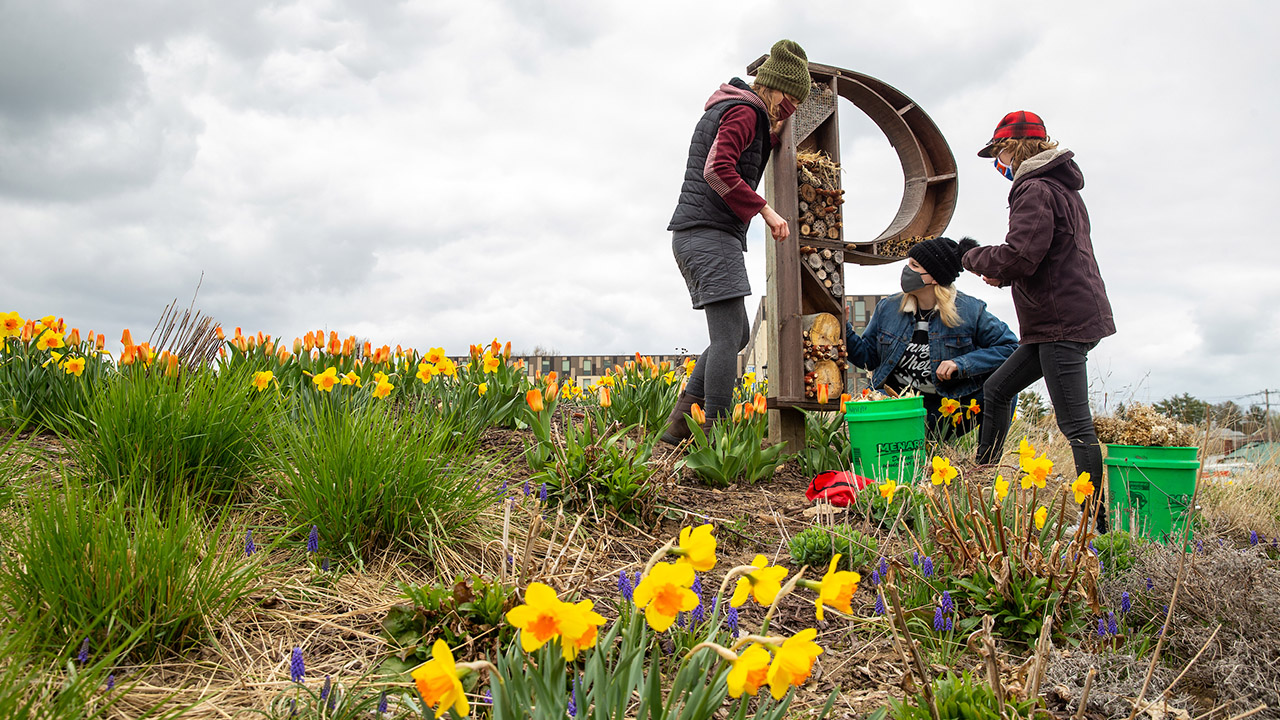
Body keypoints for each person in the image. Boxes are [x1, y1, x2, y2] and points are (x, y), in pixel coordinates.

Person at [961, 111, 1115, 530]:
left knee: (1075, 425)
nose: (999, 163)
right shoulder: (1061, 187)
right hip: (1060, 316)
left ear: (1012, 148)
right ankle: (980, 483)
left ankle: (1095, 525)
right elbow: (1038, 258)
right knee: (995, 389)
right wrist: (1000, 273)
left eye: (999, 153)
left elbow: (1020, 255)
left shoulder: (1033, 188)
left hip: (1060, 322)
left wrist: (970, 256)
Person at [660, 39, 812, 445]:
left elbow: (742, 154)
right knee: (728, 339)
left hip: (699, 234)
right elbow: (719, 168)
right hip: (709, 234)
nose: (792, 109)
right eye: (792, 99)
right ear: (775, 87)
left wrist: (774, 138)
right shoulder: (745, 111)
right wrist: (764, 209)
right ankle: (714, 436)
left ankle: (679, 430)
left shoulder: (742, 112)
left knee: (735, 335)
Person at [844, 237, 1018, 436]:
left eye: (914, 265)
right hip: (900, 406)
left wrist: (961, 364)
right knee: (873, 399)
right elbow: (867, 358)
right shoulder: (888, 308)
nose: (906, 270)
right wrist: (846, 328)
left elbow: (1010, 347)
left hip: (949, 407)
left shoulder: (970, 310)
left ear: (934, 277)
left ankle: (986, 460)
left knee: (1007, 387)